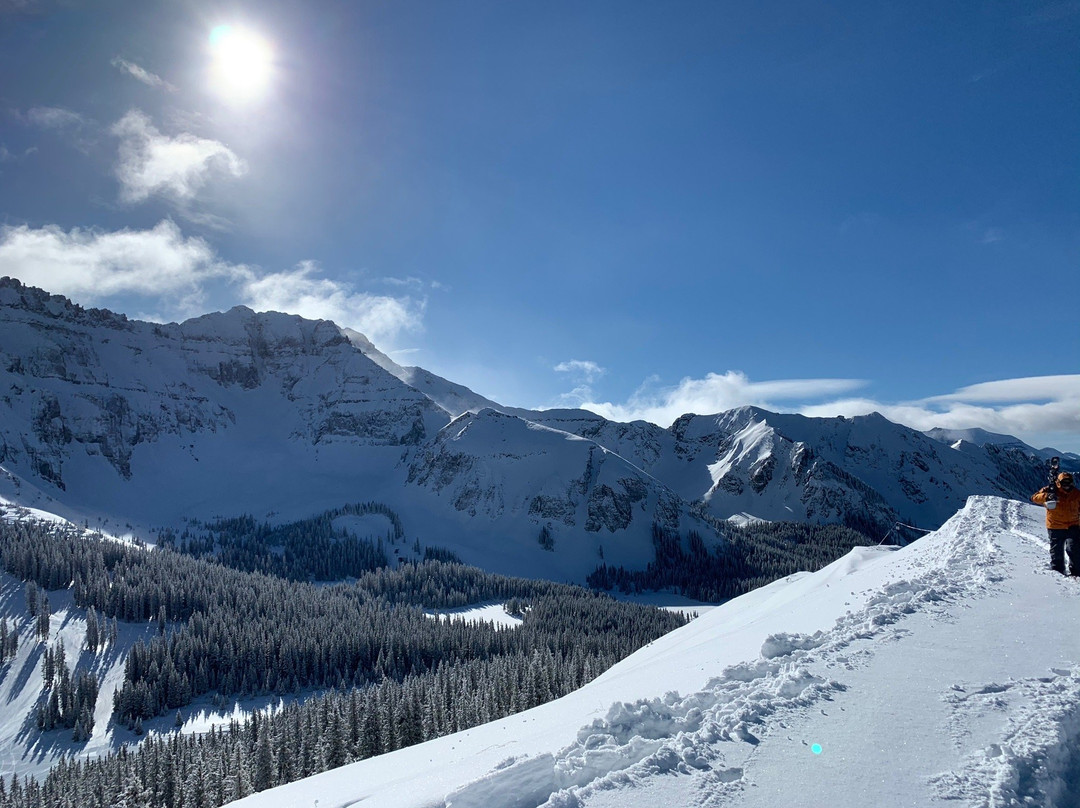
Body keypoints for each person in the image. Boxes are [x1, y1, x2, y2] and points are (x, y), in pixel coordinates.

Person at [1031, 471, 1080, 576]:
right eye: (1064, 483)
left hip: (1073, 525)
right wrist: (1047, 496)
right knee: (1056, 550)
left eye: (1069, 482)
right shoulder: (1051, 490)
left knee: (1074, 549)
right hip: (1055, 525)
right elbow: (1034, 498)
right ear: (1059, 483)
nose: (1067, 485)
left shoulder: (1076, 493)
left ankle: (1076, 572)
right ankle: (1058, 573)